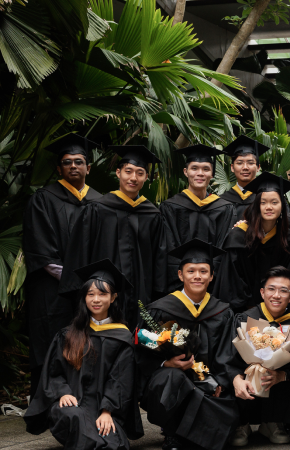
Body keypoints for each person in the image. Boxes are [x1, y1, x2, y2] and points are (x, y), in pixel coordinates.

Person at [24, 260, 143, 450]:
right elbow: (53, 372)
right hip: (72, 407)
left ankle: (84, 445)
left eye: (102, 294)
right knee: (75, 416)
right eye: (90, 294)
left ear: (113, 297)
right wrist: (62, 393)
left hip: (101, 409)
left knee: (119, 447)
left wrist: (107, 411)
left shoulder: (122, 338)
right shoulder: (68, 334)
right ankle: (88, 443)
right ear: (84, 297)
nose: (96, 299)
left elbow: (120, 380)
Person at [135, 239, 240, 450]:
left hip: (209, 382)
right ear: (180, 275)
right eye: (191, 271)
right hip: (170, 383)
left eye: (204, 271)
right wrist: (165, 363)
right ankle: (172, 433)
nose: (197, 276)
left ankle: (195, 431)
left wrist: (219, 380)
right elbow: (140, 353)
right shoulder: (161, 309)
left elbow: (227, 353)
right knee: (171, 377)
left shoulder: (222, 312)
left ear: (212, 276)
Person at [23, 134, 102, 395]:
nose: (73, 166)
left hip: (92, 291)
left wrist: (93, 286)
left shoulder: (100, 203)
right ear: (59, 168)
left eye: (79, 161)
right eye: (67, 162)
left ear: (88, 167)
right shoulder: (43, 200)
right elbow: (41, 251)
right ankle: (48, 402)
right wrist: (76, 282)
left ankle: (87, 397)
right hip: (53, 290)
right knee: (51, 340)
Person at [59, 145, 168, 327]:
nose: (133, 178)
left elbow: (160, 258)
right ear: (118, 173)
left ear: (146, 178)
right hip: (102, 293)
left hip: (142, 295)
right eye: (128, 171)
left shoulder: (152, 216)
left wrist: (158, 296)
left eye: (140, 173)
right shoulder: (97, 210)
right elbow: (80, 252)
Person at [230, 266, 290, 446]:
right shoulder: (244, 319)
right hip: (246, 386)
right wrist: (236, 378)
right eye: (271, 289)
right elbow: (227, 357)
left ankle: (273, 422)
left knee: (285, 371)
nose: (276, 295)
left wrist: (282, 375)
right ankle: (241, 423)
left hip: (280, 391)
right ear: (262, 292)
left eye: (283, 291)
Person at [215, 174, 290, 312]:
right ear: (256, 206)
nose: (269, 207)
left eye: (274, 202)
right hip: (242, 311)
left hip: (278, 309)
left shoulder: (289, 240)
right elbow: (232, 280)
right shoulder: (238, 237)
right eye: (263, 202)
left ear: (282, 207)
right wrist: (251, 307)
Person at [160, 144, 233, 292]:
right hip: (178, 284)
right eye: (194, 168)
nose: (200, 173)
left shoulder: (223, 208)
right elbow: (169, 246)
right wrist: (184, 277)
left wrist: (211, 276)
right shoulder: (170, 207)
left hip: (213, 284)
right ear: (186, 172)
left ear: (212, 174)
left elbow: (223, 247)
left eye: (206, 169)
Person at [219, 135, 271, 226]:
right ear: (232, 167)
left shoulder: (269, 198)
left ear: (258, 167)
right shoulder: (221, 201)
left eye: (250, 163)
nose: (245, 167)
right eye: (239, 163)